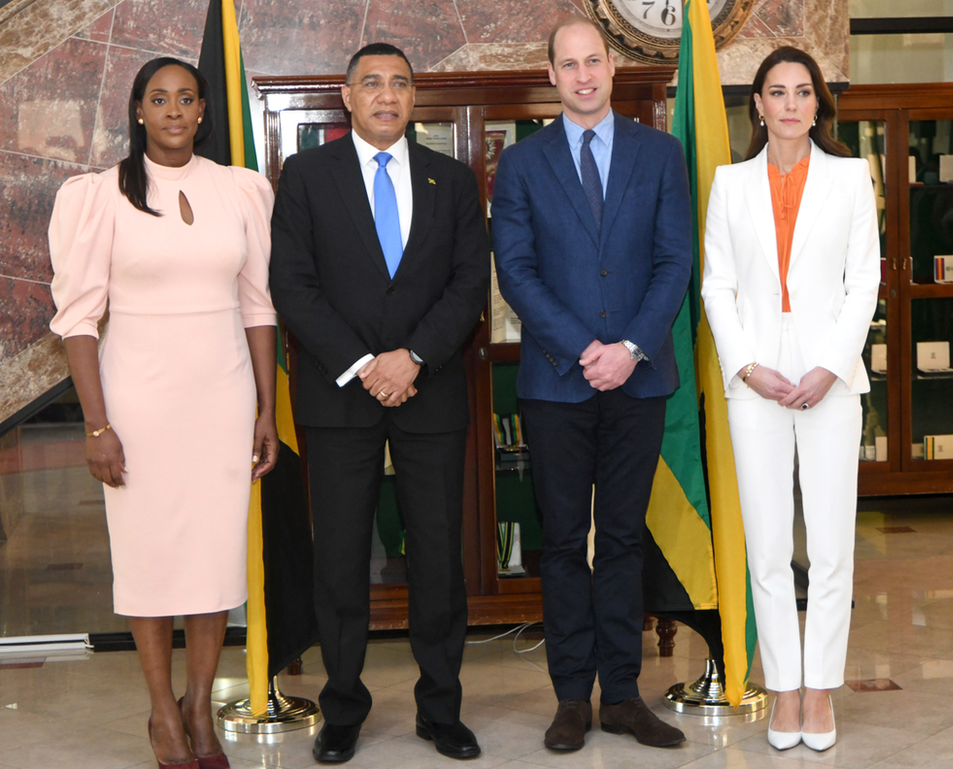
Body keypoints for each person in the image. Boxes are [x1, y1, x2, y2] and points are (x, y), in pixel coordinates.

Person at [48, 58, 279, 769]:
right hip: (138, 403)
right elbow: (78, 320)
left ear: (205, 111)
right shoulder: (98, 195)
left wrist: (267, 410)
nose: (174, 110)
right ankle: (162, 716)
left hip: (224, 398)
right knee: (151, 564)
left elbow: (257, 305)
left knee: (212, 564)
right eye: (159, 99)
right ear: (139, 112)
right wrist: (96, 423)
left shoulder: (242, 190)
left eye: (187, 98)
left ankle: (201, 711)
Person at [269, 43, 490, 764]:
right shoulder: (304, 177)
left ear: (414, 96)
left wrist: (413, 356)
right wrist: (366, 364)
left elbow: (467, 284)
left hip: (430, 389)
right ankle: (342, 709)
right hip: (341, 395)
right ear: (347, 94)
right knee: (339, 559)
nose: (387, 95)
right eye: (373, 84)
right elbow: (293, 285)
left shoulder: (452, 177)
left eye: (400, 84)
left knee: (438, 556)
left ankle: (441, 708)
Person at [491, 17, 691, 752]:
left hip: (640, 379)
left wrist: (631, 346)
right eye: (568, 64)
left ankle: (626, 696)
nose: (582, 75)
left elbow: (675, 261)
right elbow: (517, 271)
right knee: (566, 540)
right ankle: (572, 696)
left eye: (593, 61)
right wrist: (586, 349)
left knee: (625, 538)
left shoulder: (660, 153)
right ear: (551, 73)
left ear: (614, 66)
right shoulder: (522, 164)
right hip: (556, 382)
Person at [701, 46, 880, 752]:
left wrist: (832, 365)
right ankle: (782, 687)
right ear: (758, 105)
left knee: (832, 547)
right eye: (778, 93)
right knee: (770, 546)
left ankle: (819, 690)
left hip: (830, 381)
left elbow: (864, 279)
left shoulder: (849, 177)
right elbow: (716, 285)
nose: (791, 105)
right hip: (757, 385)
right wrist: (746, 365)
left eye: (803, 92)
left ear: (818, 104)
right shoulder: (729, 183)